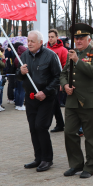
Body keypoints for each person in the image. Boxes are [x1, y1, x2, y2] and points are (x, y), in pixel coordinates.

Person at [60, 23, 93, 179]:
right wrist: (65, 85)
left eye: (81, 38)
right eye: (76, 38)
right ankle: (76, 164)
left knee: (90, 137)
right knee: (69, 132)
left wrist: (78, 60)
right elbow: (63, 73)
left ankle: (90, 167)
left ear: (88, 38)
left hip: (89, 102)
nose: (78, 41)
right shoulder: (71, 53)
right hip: (72, 101)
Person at [16, 31, 60, 172]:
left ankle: (47, 159)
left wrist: (45, 92)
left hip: (46, 98)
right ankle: (38, 158)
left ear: (41, 42)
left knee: (41, 126)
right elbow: (18, 76)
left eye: (32, 41)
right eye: (28, 41)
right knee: (33, 128)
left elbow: (58, 77)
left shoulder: (50, 56)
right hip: (30, 99)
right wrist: (20, 72)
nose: (29, 43)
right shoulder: (24, 56)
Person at [46, 29, 68, 132]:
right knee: (54, 104)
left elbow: (65, 66)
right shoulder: (45, 49)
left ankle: (59, 124)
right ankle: (60, 123)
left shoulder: (63, 50)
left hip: (57, 81)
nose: (50, 39)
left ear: (57, 37)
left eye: (52, 37)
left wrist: (61, 82)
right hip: (47, 81)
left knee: (55, 104)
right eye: (49, 37)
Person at [13, 42, 27, 110]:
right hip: (21, 75)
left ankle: (17, 104)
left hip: (17, 73)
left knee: (18, 90)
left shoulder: (17, 57)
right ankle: (20, 104)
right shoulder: (23, 57)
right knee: (22, 91)